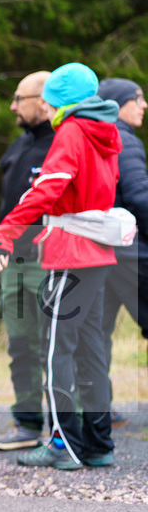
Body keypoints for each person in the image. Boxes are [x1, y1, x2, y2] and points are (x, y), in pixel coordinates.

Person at [0, 62, 121, 470]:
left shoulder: (71, 131)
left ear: (62, 102)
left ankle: (62, 444)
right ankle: (99, 445)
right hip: (99, 251)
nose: (44, 109)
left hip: (69, 253)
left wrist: (6, 230)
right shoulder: (106, 131)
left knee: (54, 350)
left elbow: (49, 187)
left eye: (48, 102)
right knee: (91, 349)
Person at [0, 71, 55, 451]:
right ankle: (27, 424)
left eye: (19, 98)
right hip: (13, 263)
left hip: (50, 260)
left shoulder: (61, 145)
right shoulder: (16, 147)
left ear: (42, 100)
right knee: (21, 344)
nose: (13, 105)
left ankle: (70, 428)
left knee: (57, 345)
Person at [97, 78, 148, 434]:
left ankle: (99, 409)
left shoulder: (94, 137)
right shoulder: (123, 138)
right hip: (132, 254)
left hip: (101, 252)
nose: (143, 105)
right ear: (118, 105)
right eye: (138, 99)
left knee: (97, 332)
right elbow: (139, 196)